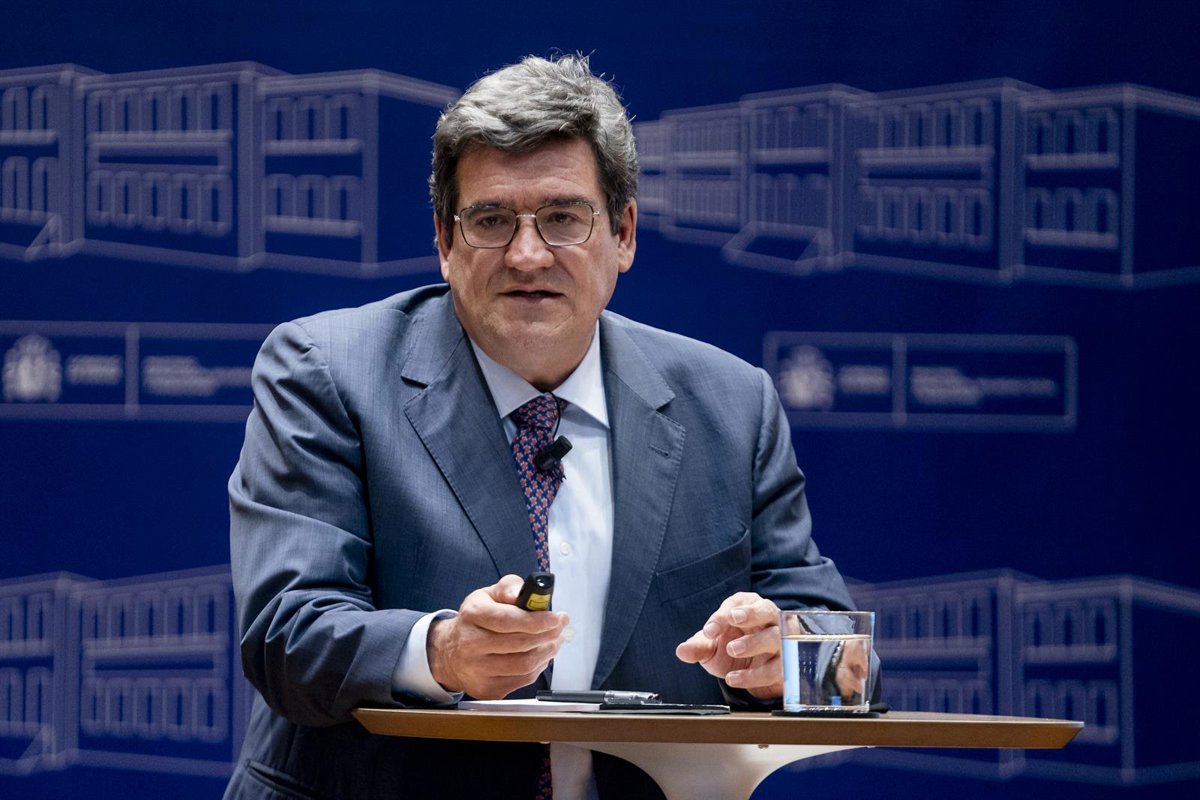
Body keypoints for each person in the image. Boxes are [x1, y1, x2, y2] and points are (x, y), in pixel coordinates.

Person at [224, 54, 877, 800]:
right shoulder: (327, 372)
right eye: (491, 221)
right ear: (445, 242)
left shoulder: (731, 404)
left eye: (563, 218)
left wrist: (782, 654)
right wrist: (440, 652)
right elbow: (287, 633)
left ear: (623, 234)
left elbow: (845, 660)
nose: (527, 254)